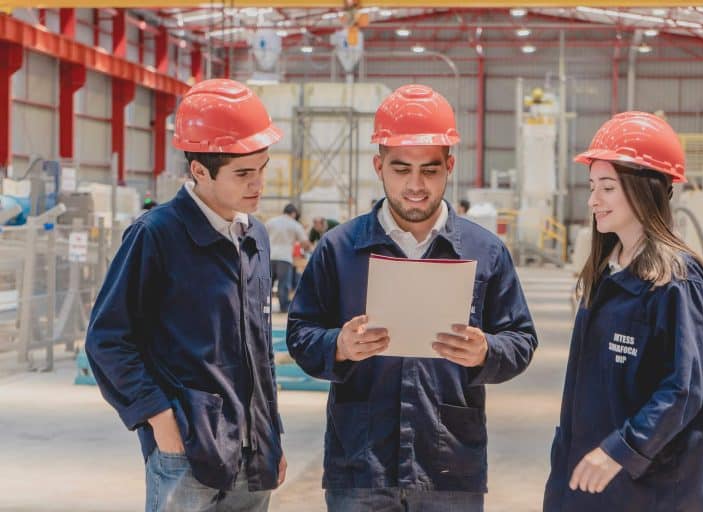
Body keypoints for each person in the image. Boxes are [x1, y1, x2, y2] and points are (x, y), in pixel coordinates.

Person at [286, 84, 538, 511]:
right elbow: (300, 334)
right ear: (379, 165)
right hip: (360, 468)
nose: (416, 185)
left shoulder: (485, 252)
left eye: (430, 170)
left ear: (449, 166)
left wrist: (486, 350)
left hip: (450, 466)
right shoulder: (339, 249)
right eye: (401, 169)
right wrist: (339, 346)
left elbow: (521, 339)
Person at [85, 79, 287, 512]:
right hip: (187, 452)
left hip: (254, 458)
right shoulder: (156, 236)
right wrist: (160, 420)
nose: (259, 184)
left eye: (262, 168)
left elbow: (259, 348)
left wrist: (272, 435)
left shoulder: (255, 237)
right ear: (199, 170)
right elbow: (107, 340)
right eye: (243, 173)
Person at [543, 111, 703, 511]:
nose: (593, 201)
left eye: (607, 187)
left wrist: (622, 449)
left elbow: (682, 389)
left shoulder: (676, 280)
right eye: (592, 187)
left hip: (653, 489)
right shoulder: (607, 273)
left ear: (644, 190)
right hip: (591, 480)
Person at [265, 204, 311, 313]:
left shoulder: (271, 222)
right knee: (283, 285)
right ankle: (283, 308)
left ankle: (263, 307)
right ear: (294, 213)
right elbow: (305, 243)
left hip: (269, 257)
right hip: (284, 258)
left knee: (267, 284)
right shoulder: (294, 224)